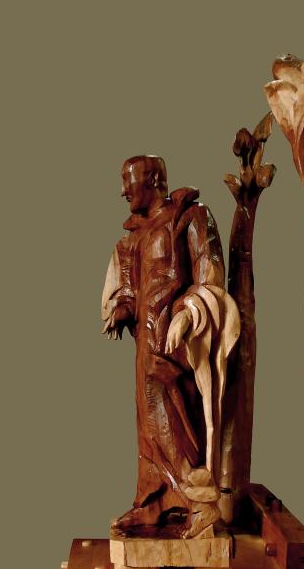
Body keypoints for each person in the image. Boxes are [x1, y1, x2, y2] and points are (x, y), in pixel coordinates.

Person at [102, 155, 239, 538]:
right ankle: (154, 504)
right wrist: (123, 308)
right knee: (148, 425)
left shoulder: (190, 216)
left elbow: (210, 272)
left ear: (153, 179)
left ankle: (201, 504)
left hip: (179, 344)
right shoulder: (135, 237)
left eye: (129, 181)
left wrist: (188, 313)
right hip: (146, 345)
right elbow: (131, 287)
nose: (123, 191)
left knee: (175, 420)